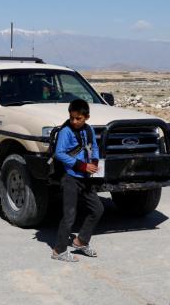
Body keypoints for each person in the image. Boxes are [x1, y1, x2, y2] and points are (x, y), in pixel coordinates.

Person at [52, 99, 104, 262]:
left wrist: (94, 162)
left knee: (97, 209)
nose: (74, 121)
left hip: (86, 179)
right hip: (70, 178)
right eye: (72, 117)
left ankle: (80, 241)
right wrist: (82, 166)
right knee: (69, 215)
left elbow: (94, 146)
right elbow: (59, 153)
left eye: (78, 118)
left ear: (86, 117)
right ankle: (59, 251)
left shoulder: (88, 130)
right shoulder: (65, 131)